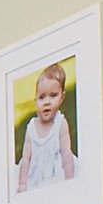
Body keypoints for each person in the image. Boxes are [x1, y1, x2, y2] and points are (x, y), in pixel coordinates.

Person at [16, 63, 76, 191]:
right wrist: (22, 184)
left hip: (56, 174)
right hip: (36, 177)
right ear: (35, 101)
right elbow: (26, 158)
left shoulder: (60, 123)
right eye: (41, 97)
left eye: (53, 95)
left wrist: (69, 178)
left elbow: (66, 152)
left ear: (62, 97)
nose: (47, 102)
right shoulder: (31, 127)